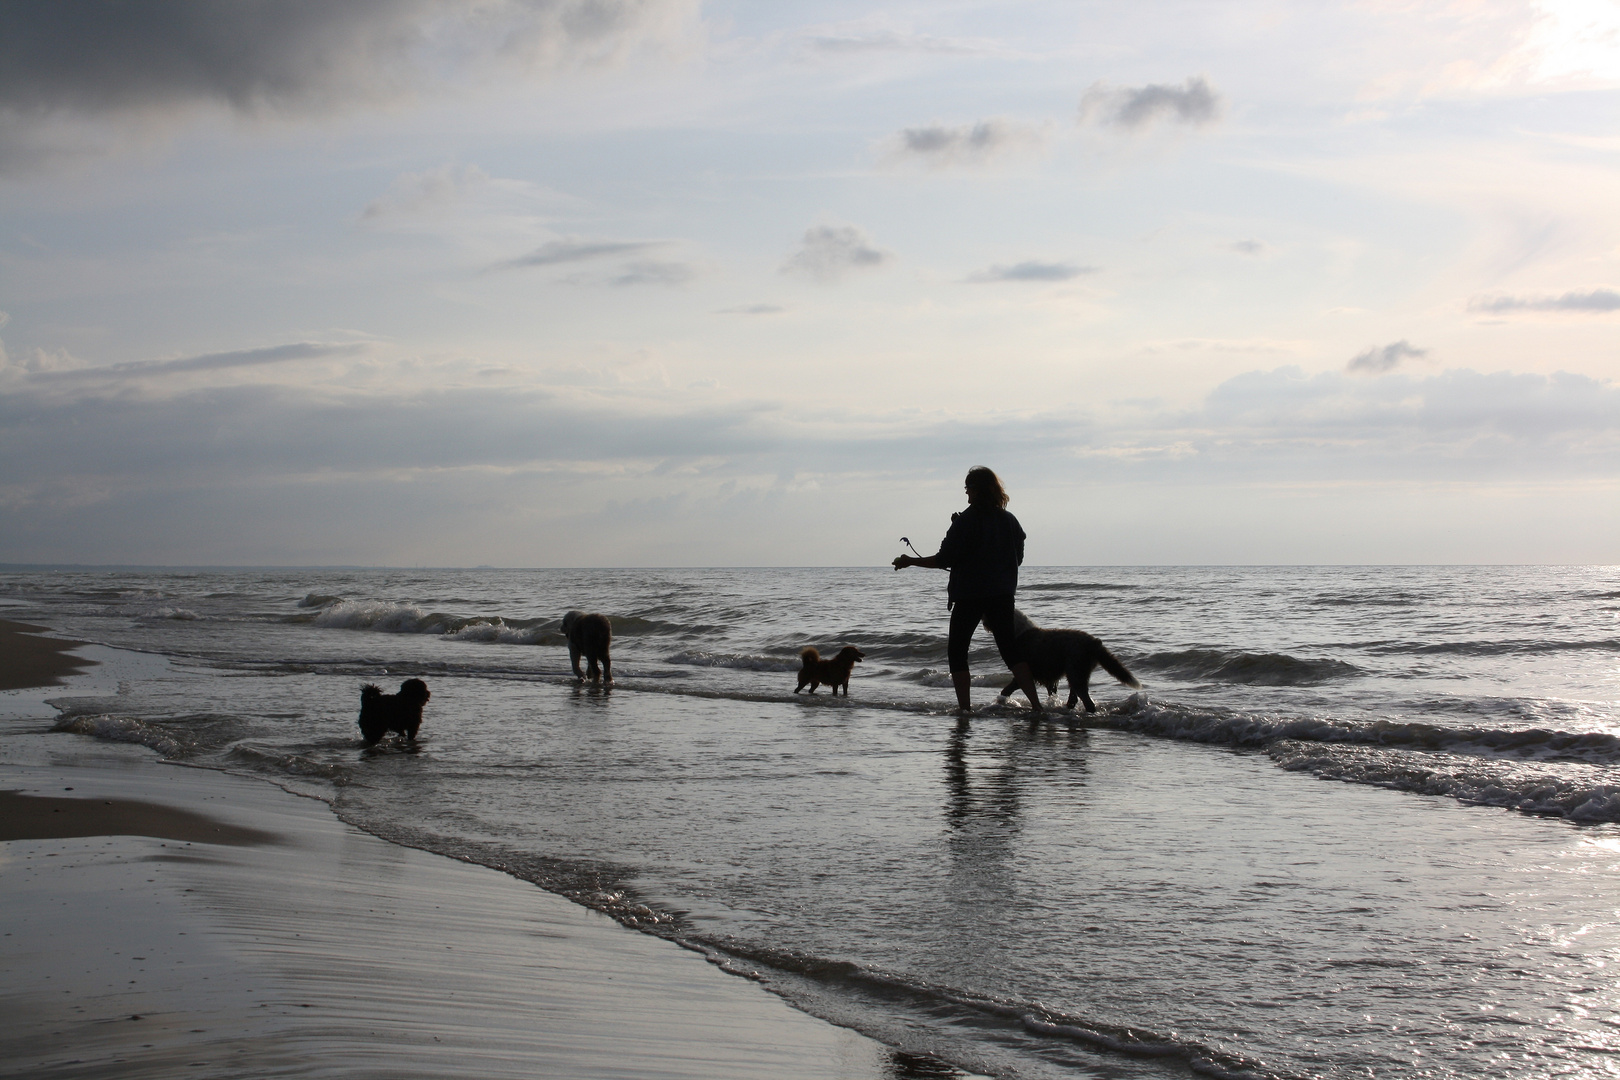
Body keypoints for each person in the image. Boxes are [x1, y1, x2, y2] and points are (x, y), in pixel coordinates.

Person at [893, 467, 1044, 714]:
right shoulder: (1009, 520)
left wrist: (910, 561)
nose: (967, 495)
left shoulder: (965, 521)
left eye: (968, 488)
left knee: (958, 652)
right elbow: (1017, 557)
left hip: (970, 596)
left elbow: (943, 559)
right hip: (1002, 595)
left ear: (976, 489)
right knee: (1010, 652)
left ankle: (965, 710)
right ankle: (1037, 707)